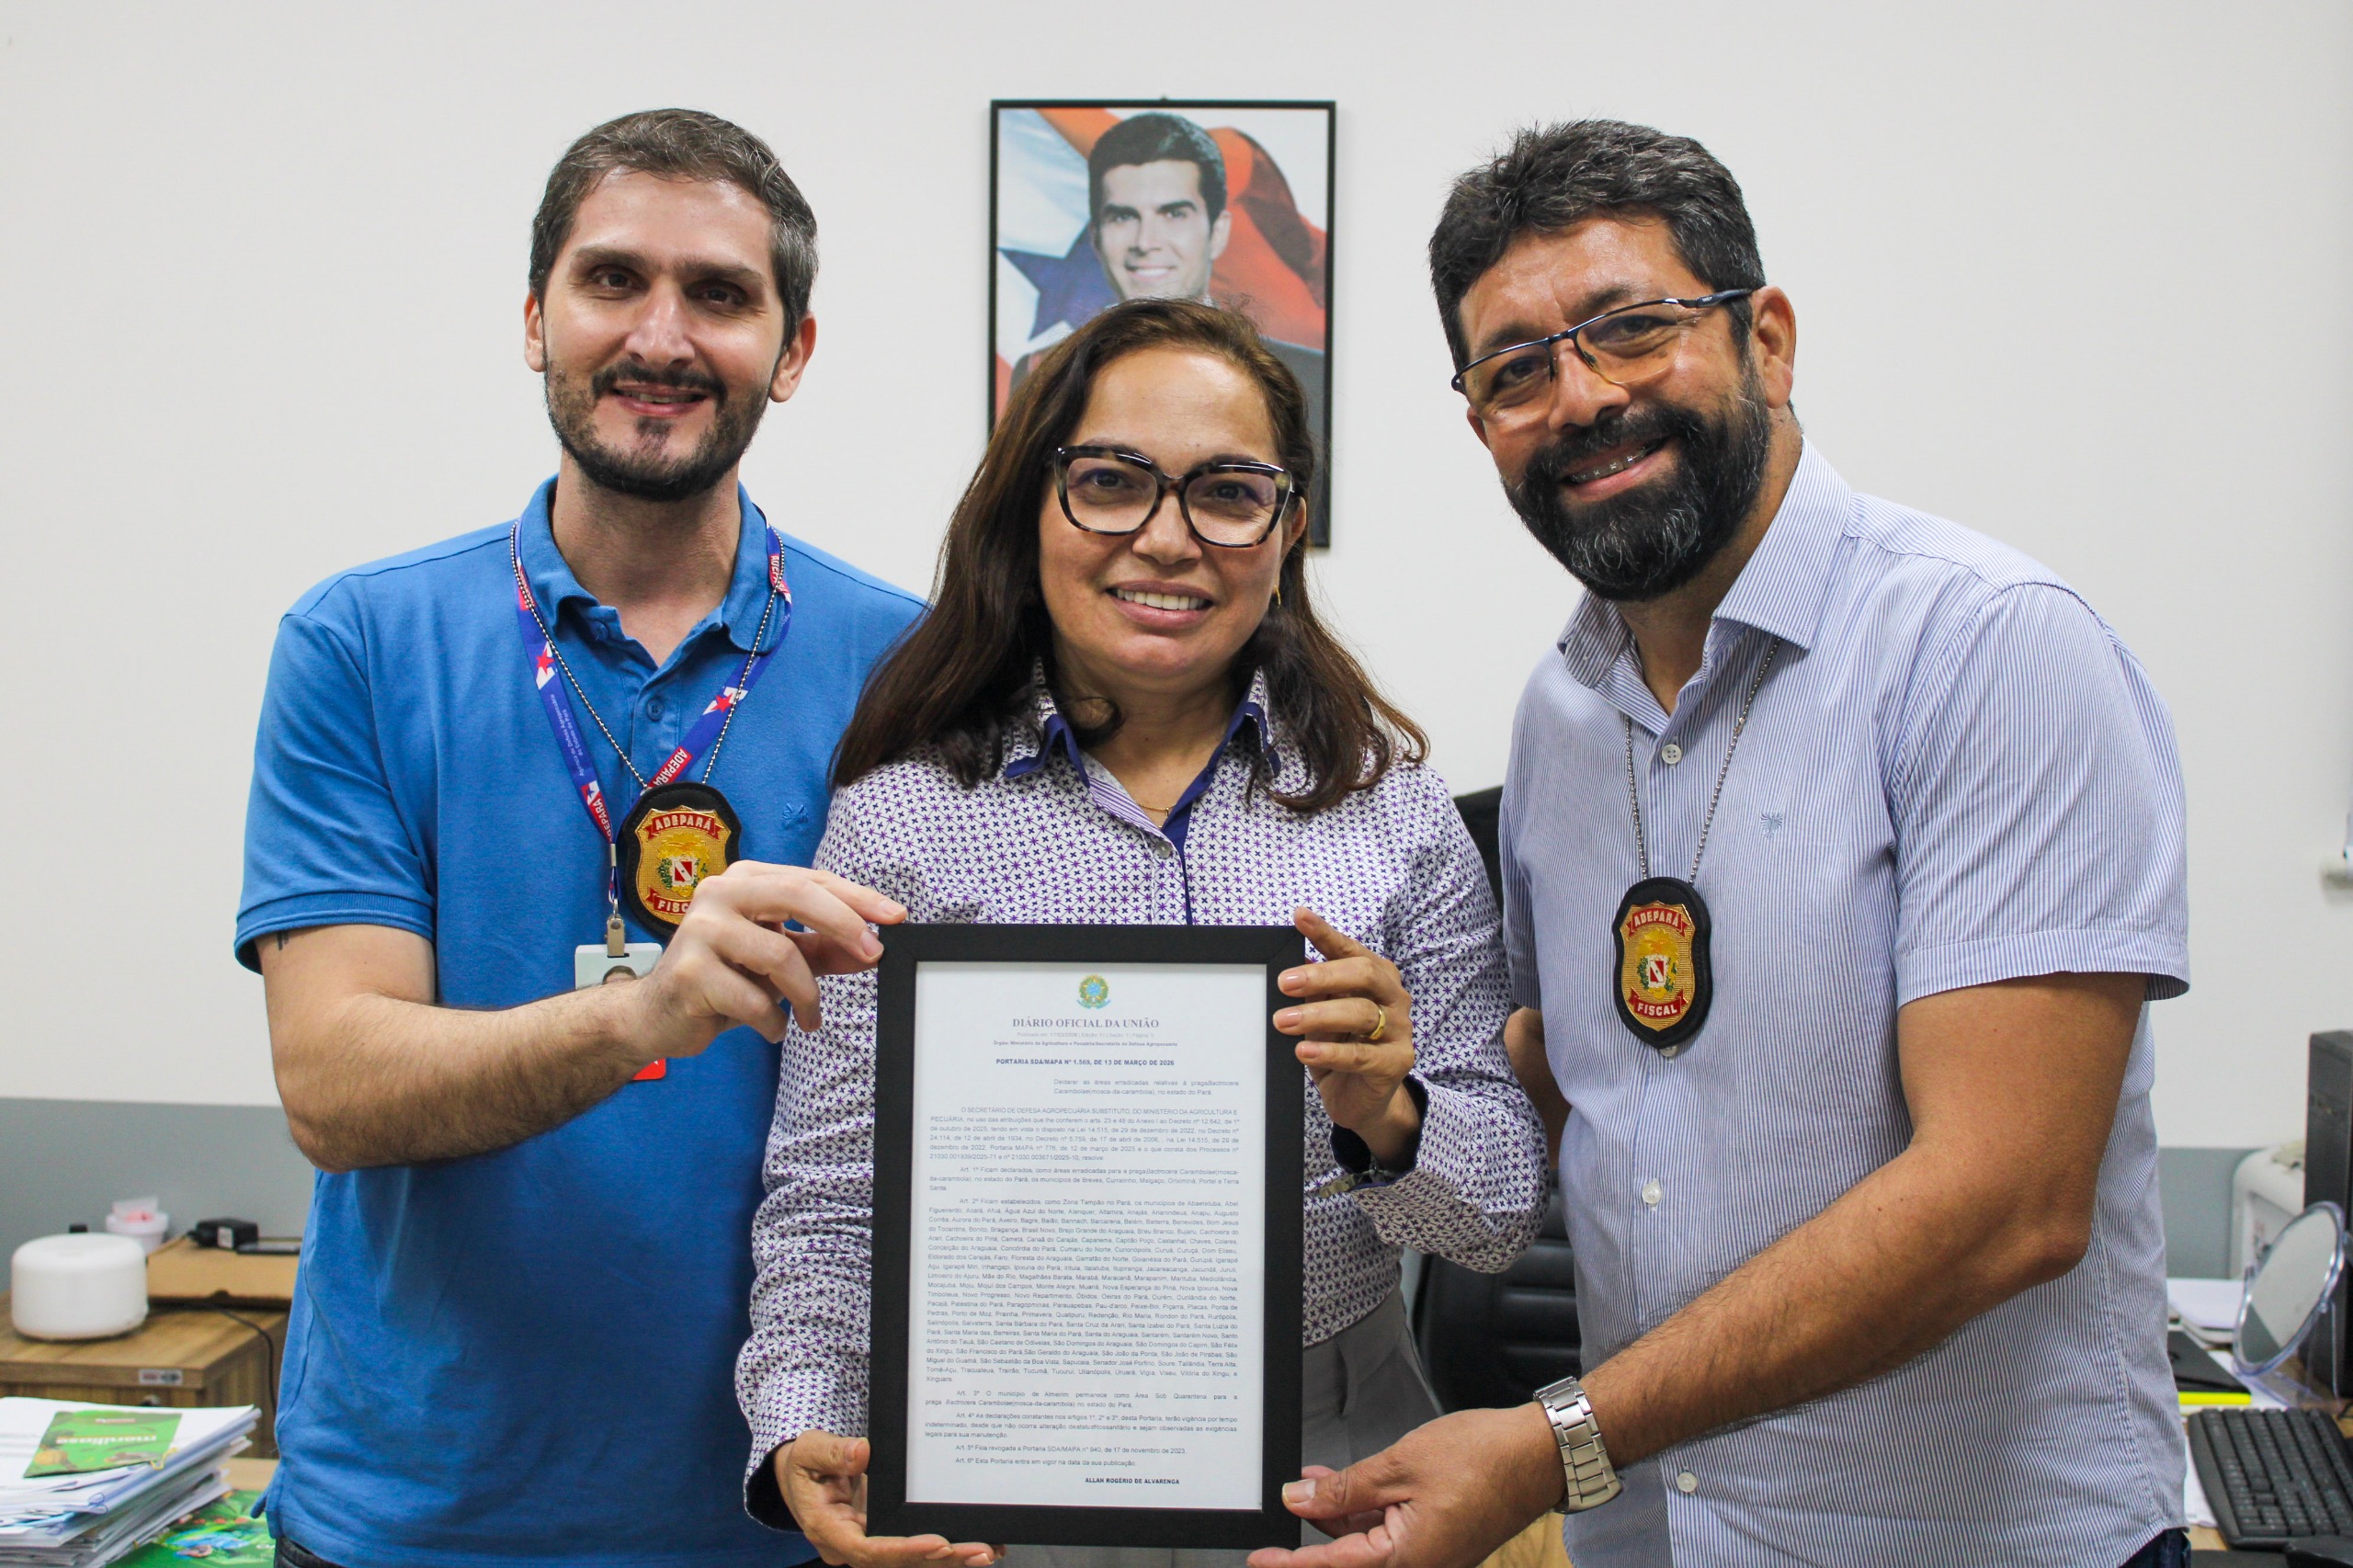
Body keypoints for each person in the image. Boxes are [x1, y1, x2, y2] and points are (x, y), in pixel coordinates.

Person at [1261, 121, 2192, 1568]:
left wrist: (1555, 1438)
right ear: (1479, 423)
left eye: (1632, 329)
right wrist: (1406, 1095)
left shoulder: (1986, 649)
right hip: (1660, 1538)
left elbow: (2008, 1202)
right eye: (1516, 369)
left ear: (1768, 337)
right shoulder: (1562, 714)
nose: (1580, 398)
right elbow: (1593, 1103)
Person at [734, 298, 1548, 1568]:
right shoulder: (899, 824)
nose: (1167, 540)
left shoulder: (1392, 812)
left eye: (1229, 492)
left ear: (1289, 527)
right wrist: (804, 1429)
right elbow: (833, 1201)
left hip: (1337, 1457)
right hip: (1000, 1460)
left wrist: (1391, 1112)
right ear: (1032, 506)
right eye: (1111, 481)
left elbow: (1496, 1216)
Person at [234, 109, 923, 1568]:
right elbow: (334, 1083)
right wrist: (650, 1011)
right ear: (535, 317)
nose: (661, 335)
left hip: (785, 1513)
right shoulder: (362, 643)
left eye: (722, 295)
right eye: (613, 280)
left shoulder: (910, 670)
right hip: (419, 1516)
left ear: (793, 352)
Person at [1009, 113, 1326, 451]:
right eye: (1123, 217)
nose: (1146, 242)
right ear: (1097, 237)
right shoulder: (1042, 372)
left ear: (1218, 233)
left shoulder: (1306, 377)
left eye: (1174, 214)